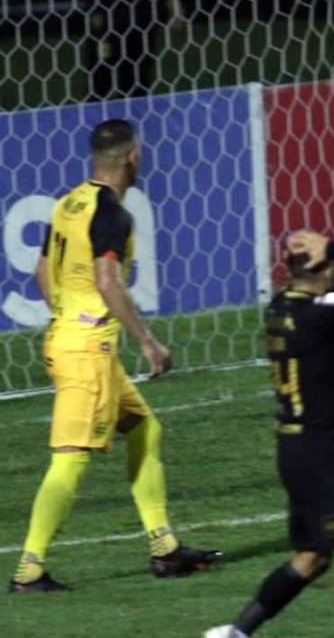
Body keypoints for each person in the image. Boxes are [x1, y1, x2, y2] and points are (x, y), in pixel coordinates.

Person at [9, 120, 219, 593]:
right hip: (87, 351)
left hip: (72, 340)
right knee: (70, 459)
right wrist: (148, 341)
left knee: (145, 427)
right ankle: (29, 569)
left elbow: (44, 269)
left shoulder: (69, 202)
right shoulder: (112, 214)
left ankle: (164, 549)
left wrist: (65, 314)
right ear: (133, 157)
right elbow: (108, 281)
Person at [205, 230, 334, 638]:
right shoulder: (319, 316)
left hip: (293, 449)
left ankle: (236, 633)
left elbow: (330, 295)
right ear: (323, 269)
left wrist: (315, 258)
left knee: (312, 556)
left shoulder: (280, 308)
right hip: (321, 454)